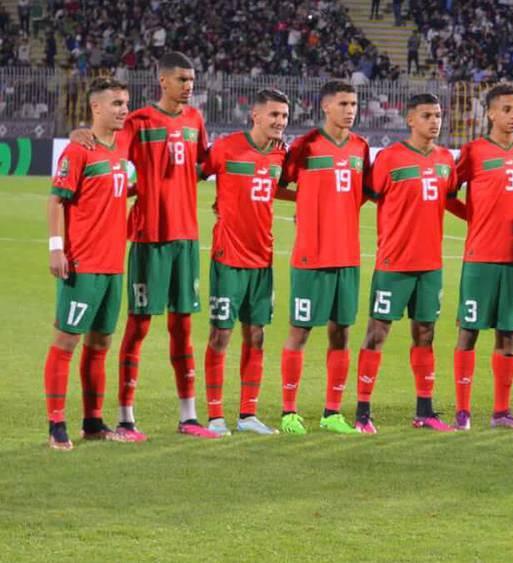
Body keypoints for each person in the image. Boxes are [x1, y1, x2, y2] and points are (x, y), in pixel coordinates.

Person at [72, 52, 214, 439]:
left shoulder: (195, 120)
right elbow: (105, 145)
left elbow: (202, 166)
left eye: (192, 79)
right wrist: (77, 133)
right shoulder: (137, 122)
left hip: (186, 237)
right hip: (149, 236)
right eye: (182, 79)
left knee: (183, 327)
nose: (189, 86)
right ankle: (125, 419)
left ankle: (188, 417)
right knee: (138, 327)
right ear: (162, 81)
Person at [354, 93, 458, 433]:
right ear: (410, 120)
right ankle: (362, 412)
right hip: (393, 263)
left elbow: (451, 198)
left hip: (430, 265)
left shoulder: (445, 159)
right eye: (427, 115)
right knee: (377, 333)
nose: (435, 121)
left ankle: (425, 411)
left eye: (438, 115)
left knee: (425, 334)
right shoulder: (390, 158)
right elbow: (364, 195)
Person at [275, 81, 371, 435]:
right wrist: (304, 205)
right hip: (310, 256)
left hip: (347, 256)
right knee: (299, 332)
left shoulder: (361, 147)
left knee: (341, 333)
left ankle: (332, 412)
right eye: (344, 103)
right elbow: (274, 182)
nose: (350, 110)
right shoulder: (305, 146)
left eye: (354, 104)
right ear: (326, 107)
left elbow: (362, 192)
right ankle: (289, 412)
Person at [44, 78, 133, 449]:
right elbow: (56, 200)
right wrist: (56, 248)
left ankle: (93, 422)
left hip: (114, 264)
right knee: (67, 340)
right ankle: (56, 425)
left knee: (101, 343)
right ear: (96, 108)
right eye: (115, 103)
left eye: (125, 102)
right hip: (83, 263)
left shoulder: (122, 147)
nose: (123, 109)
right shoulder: (79, 151)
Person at [200, 88, 289, 437]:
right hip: (228, 258)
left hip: (262, 259)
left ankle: (248, 415)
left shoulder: (282, 155)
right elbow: (194, 172)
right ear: (256, 116)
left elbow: (288, 184)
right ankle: (215, 417)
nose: (280, 122)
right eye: (274, 115)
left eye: (284, 116)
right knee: (221, 334)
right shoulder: (225, 148)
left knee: (257, 335)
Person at [445, 82, 513, 430]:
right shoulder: (474, 151)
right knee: (469, 332)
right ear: (490, 113)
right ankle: (463, 412)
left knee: (508, 333)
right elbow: (447, 192)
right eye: (507, 109)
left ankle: (501, 412)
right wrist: (472, 216)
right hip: (479, 258)